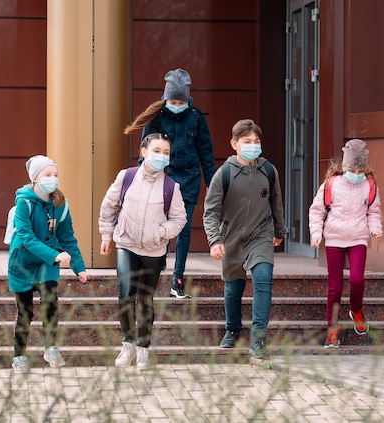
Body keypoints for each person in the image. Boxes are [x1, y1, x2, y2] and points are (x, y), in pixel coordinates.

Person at [123, 68, 215, 299]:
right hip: (163, 178)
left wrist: (212, 184)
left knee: (183, 230)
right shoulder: (157, 116)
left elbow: (206, 152)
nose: (176, 104)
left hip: (190, 178)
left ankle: (178, 278)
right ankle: (156, 265)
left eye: (180, 101)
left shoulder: (196, 117)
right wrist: (140, 177)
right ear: (165, 98)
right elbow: (145, 150)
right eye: (172, 100)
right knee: (159, 225)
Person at [99, 133, 187, 369]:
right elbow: (108, 206)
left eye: (166, 152)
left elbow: (179, 219)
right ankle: (127, 344)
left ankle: (143, 348)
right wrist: (106, 235)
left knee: (145, 298)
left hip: (153, 250)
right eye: (157, 150)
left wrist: (161, 232)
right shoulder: (126, 177)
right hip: (126, 244)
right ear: (144, 152)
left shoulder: (171, 186)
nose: (162, 156)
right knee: (126, 294)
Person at [203, 119, 287, 359]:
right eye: (247, 142)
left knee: (263, 278)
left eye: (256, 142)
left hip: (260, 234)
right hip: (231, 237)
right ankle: (232, 329)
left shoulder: (268, 171)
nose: (253, 146)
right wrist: (215, 239)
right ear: (234, 144)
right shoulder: (224, 174)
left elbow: (276, 203)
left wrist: (279, 231)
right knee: (233, 287)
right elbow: (211, 211)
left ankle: (258, 338)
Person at [7, 155, 89, 374]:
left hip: (47, 262)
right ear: (35, 178)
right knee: (25, 313)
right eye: (47, 175)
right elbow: (26, 236)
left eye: (55, 175)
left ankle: (50, 348)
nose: (53, 179)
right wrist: (54, 255)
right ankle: (19, 356)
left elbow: (67, 238)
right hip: (22, 261)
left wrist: (79, 267)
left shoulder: (60, 205)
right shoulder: (23, 202)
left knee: (50, 302)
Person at [308, 139, 383, 349]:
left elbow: (373, 212)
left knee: (358, 280)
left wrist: (374, 228)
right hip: (334, 238)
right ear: (345, 166)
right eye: (353, 170)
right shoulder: (331, 184)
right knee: (335, 287)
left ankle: (356, 310)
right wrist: (316, 233)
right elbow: (317, 211)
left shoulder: (370, 185)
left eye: (361, 170)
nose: (357, 175)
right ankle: (332, 331)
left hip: (358, 238)